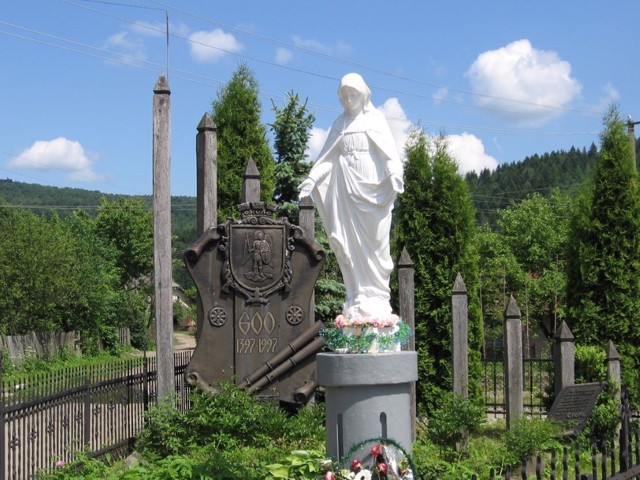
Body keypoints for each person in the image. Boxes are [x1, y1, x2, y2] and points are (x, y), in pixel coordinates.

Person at [299, 73, 404, 323]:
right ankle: (357, 294)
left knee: (377, 244)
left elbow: (389, 154)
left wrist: (394, 174)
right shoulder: (340, 124)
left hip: (373, 190)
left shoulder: (376, 120)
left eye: (353, 94)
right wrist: (312, 179)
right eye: (344, 95)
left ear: (363, 94)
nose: (349, 99)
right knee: (351, 245)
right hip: (347, 188)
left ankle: (378, 297)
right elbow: (327, 159)